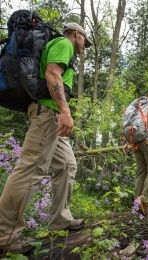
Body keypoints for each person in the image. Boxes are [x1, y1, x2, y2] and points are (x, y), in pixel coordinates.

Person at [0, 22, 93, 254]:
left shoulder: (63, 47)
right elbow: (53, 74)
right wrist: (65, 111)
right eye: (85, 41)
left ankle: (60, 218)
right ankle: (4, 234)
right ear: (77, 34)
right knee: (32, 169)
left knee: (67, 165)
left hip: (50, 116)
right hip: (48, 113)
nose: (85, 46)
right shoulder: (63, 43)